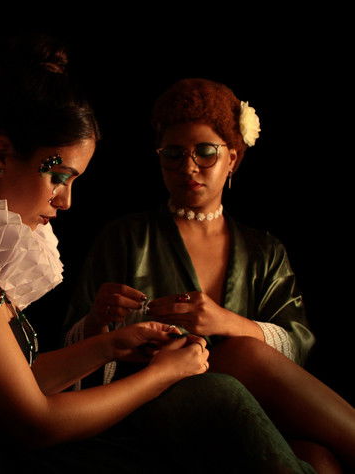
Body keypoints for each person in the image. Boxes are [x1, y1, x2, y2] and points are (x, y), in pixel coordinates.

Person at [0, 46, 315, 473]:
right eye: (58, 176)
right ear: (1, 155)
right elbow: (33, 423)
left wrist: (110, 345)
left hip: (8, 445)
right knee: (216, 399)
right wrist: (163, 374)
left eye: (205, 152)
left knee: (304, 448)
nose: (65, 201)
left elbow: (19, 380)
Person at [65, 77, 355, 473]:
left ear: (232, 158)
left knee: (320, 460)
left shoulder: (264, 251)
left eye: (205, 152)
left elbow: (297, 346)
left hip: (257, 406)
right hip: (151, 397)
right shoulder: (126, 238)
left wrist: (226, 321)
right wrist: (99, 322)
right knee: (243, 354)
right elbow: (71, 349)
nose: (188, 167)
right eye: (173, 154)